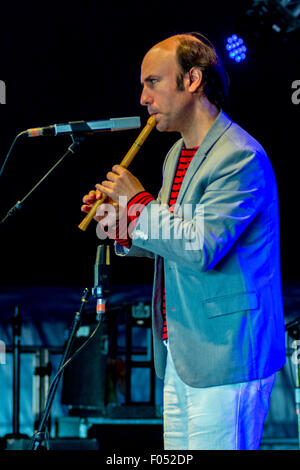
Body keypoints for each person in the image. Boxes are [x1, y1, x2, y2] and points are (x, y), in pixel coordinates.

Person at [81, 32, 286, 450]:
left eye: (152, 82)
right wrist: (120, 222)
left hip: (226, 354)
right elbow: (170, 237)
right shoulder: (177, 154)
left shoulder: (240, 156)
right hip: (183, 350)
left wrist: (137, 202)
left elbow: (199, 246)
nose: (142, 97)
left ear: (192, 80)